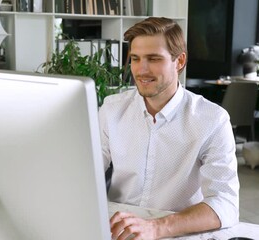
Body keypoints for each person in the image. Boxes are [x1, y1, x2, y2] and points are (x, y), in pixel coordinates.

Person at [98, 17, 239, 239]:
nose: (141, 70)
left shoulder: (212, 120)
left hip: (176, 232)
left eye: (153, 59)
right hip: (118, 230)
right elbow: (86, 171)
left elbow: (226, 203)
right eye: (135, 58)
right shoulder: (111, 109)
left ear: (180, 61)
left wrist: (156, 228)